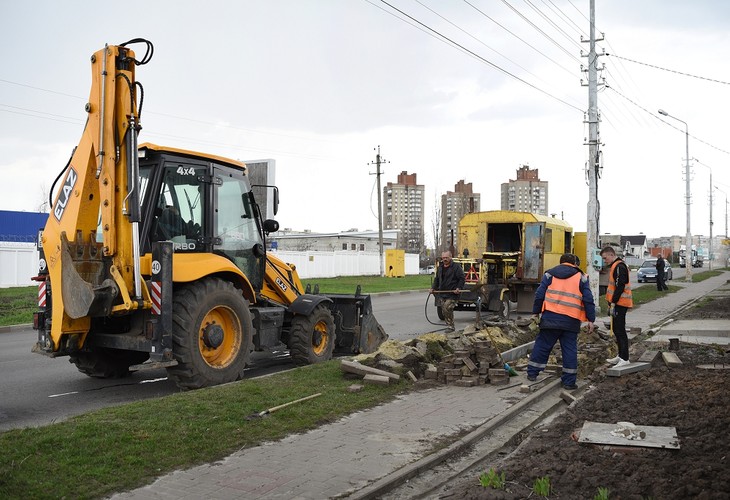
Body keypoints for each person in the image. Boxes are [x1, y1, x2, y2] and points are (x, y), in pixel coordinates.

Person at [526, 253, 596, 390]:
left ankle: (532, 373)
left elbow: (539, 294)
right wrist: (591, 320)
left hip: (550, 318)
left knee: (543, 345)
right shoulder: (581, 277)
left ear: (560, 263)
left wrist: (536, 312)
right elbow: (588, 299)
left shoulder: (549, 275)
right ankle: (569, 382)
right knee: (569, 350)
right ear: (574, 264)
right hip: (571, 321)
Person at [600, 246, 633, 367]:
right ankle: (621, 356)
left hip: (620, 303)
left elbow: (620, 286)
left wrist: (613, 302)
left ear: (611, 255)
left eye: (605, 258)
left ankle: (624, 358)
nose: (604, 261)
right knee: (616, 330)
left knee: (620, 330)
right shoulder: (616, 266)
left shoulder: (619, 266)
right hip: (617, 303)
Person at [431, 250, 465, 333]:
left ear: (450, 257)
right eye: (443, 258)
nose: (445, 259)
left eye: (446, 257)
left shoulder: (456, 267)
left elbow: (462, 278)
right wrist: (433, 288)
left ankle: (451, 327)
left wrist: (458, 288)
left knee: (447, 307)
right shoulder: (440, 268)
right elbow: (437, 279)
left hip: (453, 294)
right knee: (444, 310)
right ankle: (449, 325)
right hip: (442, 293)